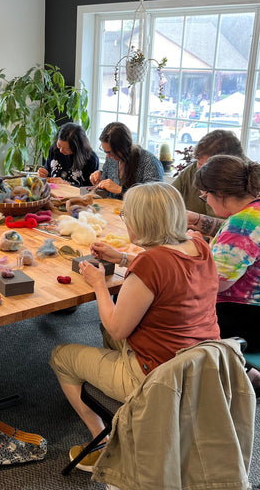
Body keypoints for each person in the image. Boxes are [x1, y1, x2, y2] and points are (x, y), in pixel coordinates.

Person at [50, 182, 220, 471]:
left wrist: (98, 284)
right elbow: (167, 264)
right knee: (106, 333)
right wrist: (124, 258)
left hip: (157, 378)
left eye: (126, 217)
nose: (124, 222)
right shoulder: (200, 247)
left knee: (61, 356)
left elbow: (118, 328)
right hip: (201, 367)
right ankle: (126, 410)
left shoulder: (150, 265)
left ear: (140, 221)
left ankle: (101, 442)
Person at [193, 156, 260, 355]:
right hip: (252, 313)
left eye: (205, 196)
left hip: (248, 323)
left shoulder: (243, 224)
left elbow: (213, 283)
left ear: (220, 193)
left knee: (157, 304)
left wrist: (195, 246)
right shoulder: (254, 211)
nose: (207, 202)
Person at [173, 129, 245, 219]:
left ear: (228, 165)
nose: (199, 169)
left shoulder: (247, 181)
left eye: (205, 166)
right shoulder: (193, 169)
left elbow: (238, 227)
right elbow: (168, 195)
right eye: (198, 162)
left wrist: (198, 220)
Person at [89, 122, 163, 199]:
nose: (108, 156)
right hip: (113, 208)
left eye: (111, 152)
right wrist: (100, 179)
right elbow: (107, 186)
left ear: (123, 148)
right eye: (106, 152)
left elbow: (154, 199)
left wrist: (120, 190)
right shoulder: (111, 158)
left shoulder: (149, 162)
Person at [37, 122, 99, 187]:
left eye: (67, 149)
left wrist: (67, 184)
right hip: (54, 193)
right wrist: (44, 173)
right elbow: (49, 172)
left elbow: (90, 190)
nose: (61, 150)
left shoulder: (91, 159)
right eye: (59, 145)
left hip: (76, 196)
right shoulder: (54, 149)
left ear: (77, 148)